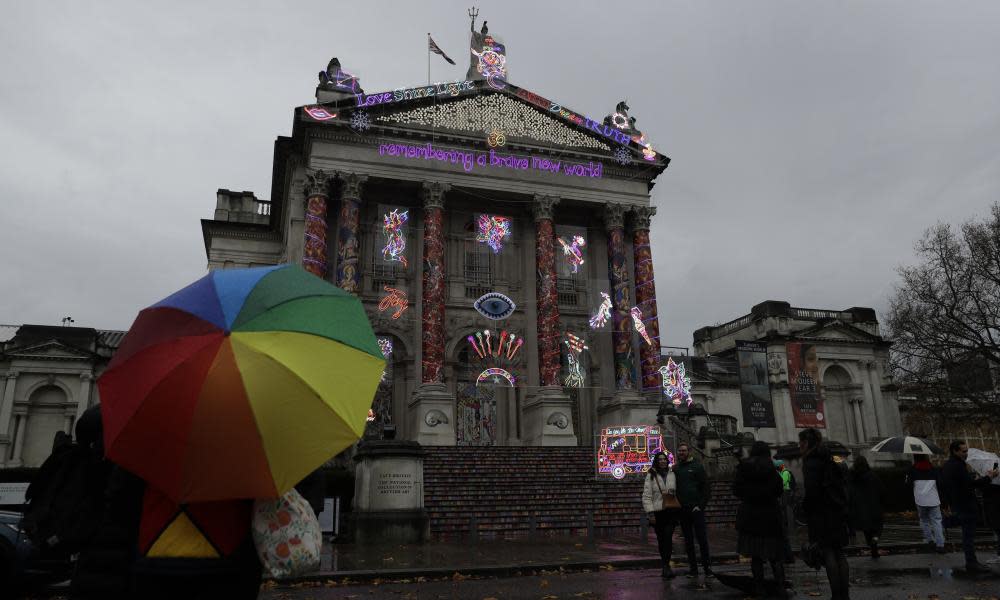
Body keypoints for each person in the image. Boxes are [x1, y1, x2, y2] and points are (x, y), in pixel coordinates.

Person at [799, 428, 850, 600]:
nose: (800, 447)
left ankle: (836, 595)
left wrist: (805, 508)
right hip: (837, 510)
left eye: (801, 443)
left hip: (821, 513)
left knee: (828, 552)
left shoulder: (810, 462)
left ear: (806, 443)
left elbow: (812, 491)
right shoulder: (830, 459)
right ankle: (845, 595)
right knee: (839, 552)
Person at [734, 442, 787, 599]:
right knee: (775, 555)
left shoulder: (744, 467)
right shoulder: (772, 469)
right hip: (770, 514)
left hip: (750, 514)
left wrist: (749, 496)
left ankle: (759, 587)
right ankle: (780, 586)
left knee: (755, 556)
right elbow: (779, 489)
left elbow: (736, 490)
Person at [941, 440, 999, 573]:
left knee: (967, 535)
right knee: (968, 536)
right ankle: (971, 563)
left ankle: (971, 562)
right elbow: (970, 485)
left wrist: (946, 503)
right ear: (955, 451)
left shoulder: (948, 465)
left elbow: (946, 485)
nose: (966, 453)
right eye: (963, 451)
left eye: (966, 450)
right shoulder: (958, 466)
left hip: (958, 504)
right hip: (966, 505)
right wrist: (989, 477)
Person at [674, 443, 713, 578]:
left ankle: (707, 568)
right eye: (679, 451)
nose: (681, 453)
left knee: (702, 539)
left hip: (696, 509)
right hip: (683, 510)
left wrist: (700, 505)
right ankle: (693, 569)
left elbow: (706, 488)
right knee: (688, 541)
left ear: (689, 452)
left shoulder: (697, 466)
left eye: (684, 450)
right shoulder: (676, 468)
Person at [642, 451, 681, 578]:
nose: (663, 461)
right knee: (661, 540)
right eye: (660, 459)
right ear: (656, 461)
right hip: (658, 512)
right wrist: (650, 513)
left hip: (670, 511)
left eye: (664, 459)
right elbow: (647, 496)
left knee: (668, 538)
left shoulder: (672, 474)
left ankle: (666, 565)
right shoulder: (651, 475)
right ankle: (665, 565)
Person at [905, 454, 945, 553]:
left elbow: (908, 484)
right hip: (933, 499)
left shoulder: (912, 469)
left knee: (924, 520)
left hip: (920, 500)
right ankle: (940, 545)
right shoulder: (933, 469)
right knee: (937, 521)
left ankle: (930, 540)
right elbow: (940, 483)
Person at [847, 456, 884, 559]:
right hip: (874, 506)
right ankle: (875, 541)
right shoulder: (873, 476)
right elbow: (881, 490)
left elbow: (849, 493)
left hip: (860, 509)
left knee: (867, 530)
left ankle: (873, 547)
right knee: (877, 528)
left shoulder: (852, 478)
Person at [775, 459, 797, 563]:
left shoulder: (786, 472)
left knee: (785, 507)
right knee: (783, 507)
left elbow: (783, 482)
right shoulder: (781, 472)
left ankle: (787, 522)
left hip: (785, 492)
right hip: (783, 492)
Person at [981, 474, 1000, 564]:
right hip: (993, 504)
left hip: (993, 505)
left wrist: (985, 479)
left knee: (998, 529)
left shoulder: (993, 478)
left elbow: (985, 490)